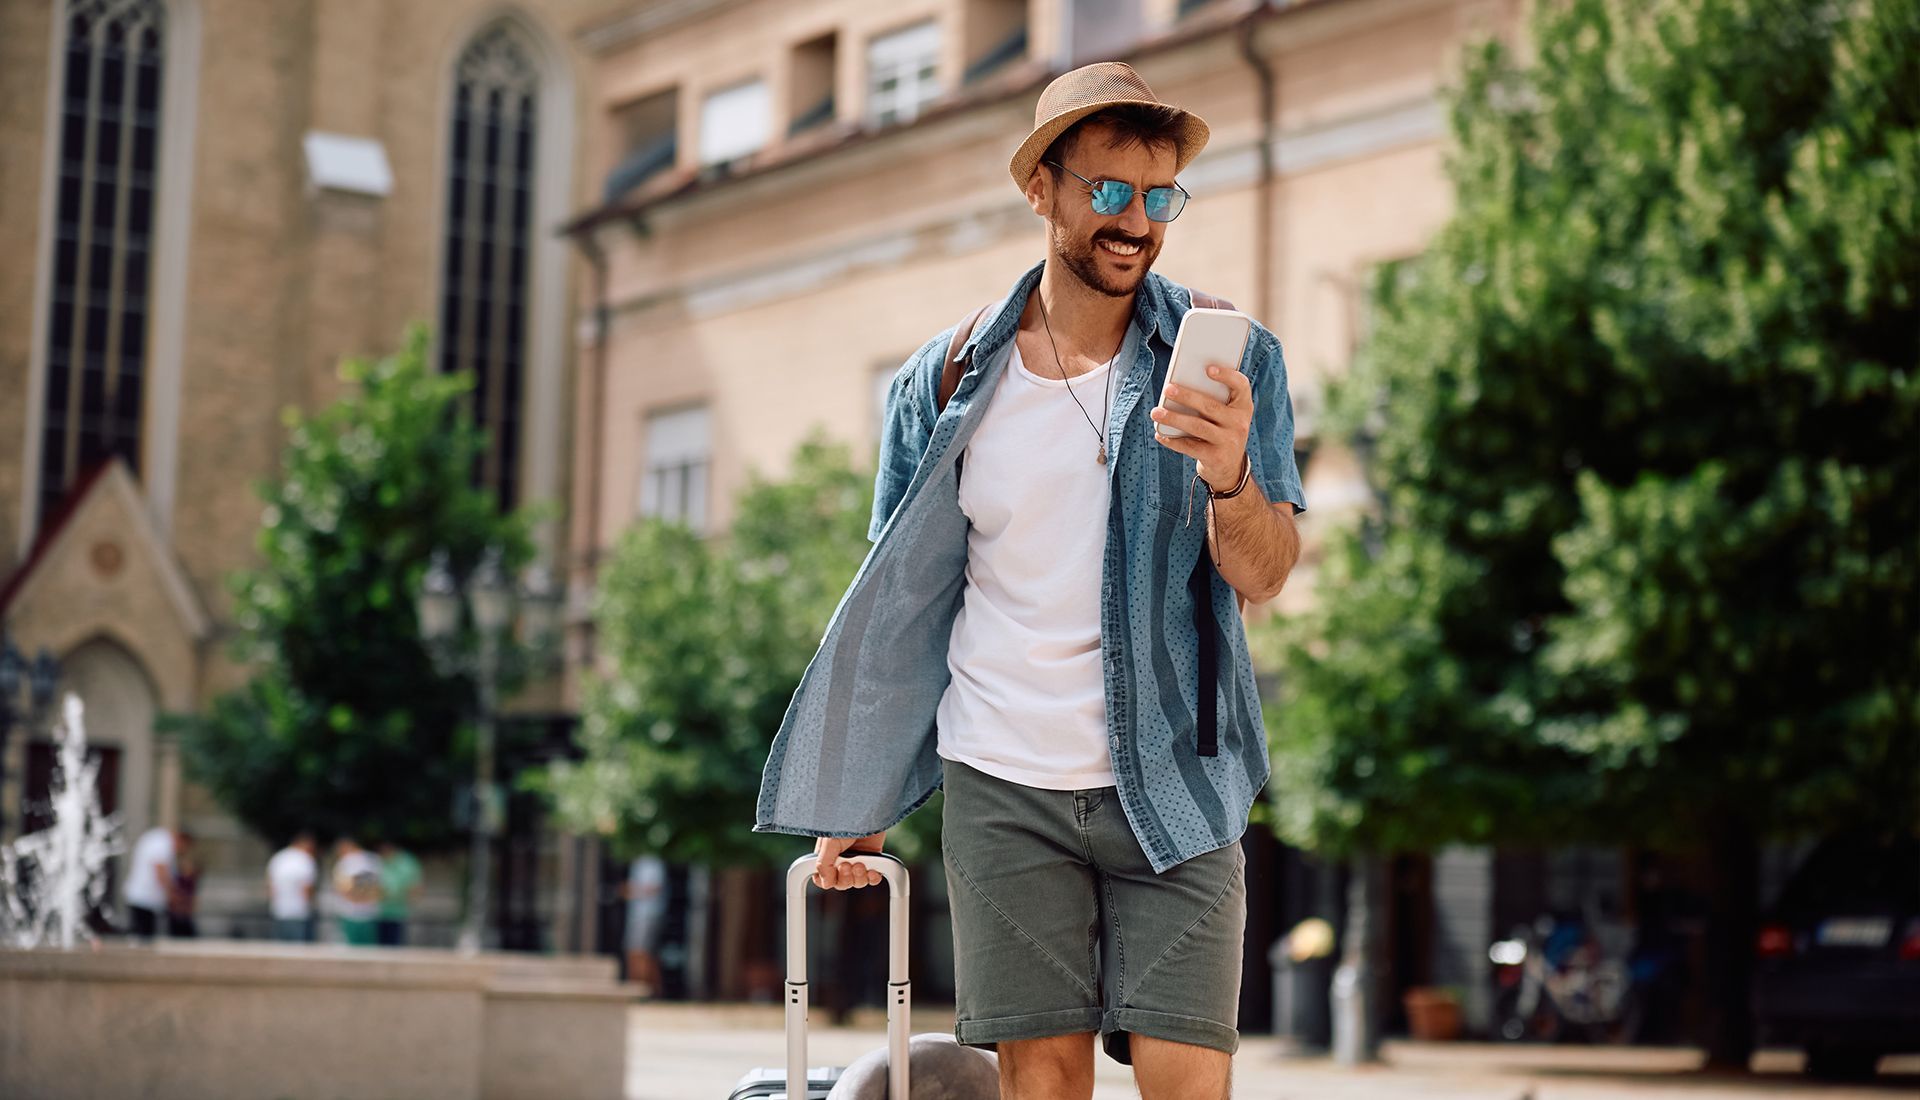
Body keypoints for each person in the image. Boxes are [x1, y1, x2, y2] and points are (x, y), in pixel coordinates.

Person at [753, 62, 1305, 1100]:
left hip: (1179, 777)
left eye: (1158, 198)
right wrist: (866, 787)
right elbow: (899, 603)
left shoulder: (1232, 362)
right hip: (1001, 778)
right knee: (1041, 1085)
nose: (1135, 221)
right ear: (1040, 188)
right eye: (1107, 192)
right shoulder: (949, 375)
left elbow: (1265, 573)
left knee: (1189, 1080)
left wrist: (1229, 473)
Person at [122, 826, 192, 941]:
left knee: (144, 936)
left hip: (144, 898)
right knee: (143, 938)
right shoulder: (162, 843)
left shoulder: (159, 840)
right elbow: (161, 872)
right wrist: (173, 896)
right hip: (144, 899)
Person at [620, 854, 667, 993]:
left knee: (641, 953)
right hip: (638, 915)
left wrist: (632, 891)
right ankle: (640, 989)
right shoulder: (638, 862)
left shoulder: (652, 862)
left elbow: (655, 888)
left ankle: (644, 990)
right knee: (636, 952)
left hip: (647, 914)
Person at [267, 831, 320, 943]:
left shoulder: (278, 858)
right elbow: (307, 888)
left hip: (280, 910)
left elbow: (271, 887)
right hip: (299, 912)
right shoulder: (306, 860)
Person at [330, 836, 383, 946]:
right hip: (370, 912)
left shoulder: (345, 862)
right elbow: (379, 887)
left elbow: (342, 888)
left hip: (351, 913)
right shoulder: (374, 859)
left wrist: (355, 896)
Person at [374, 840, 422, 947]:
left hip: (398, 912)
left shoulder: (406, 862)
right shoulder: (379, 861)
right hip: (378, 912)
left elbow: (415, 886)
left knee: (395, 947)